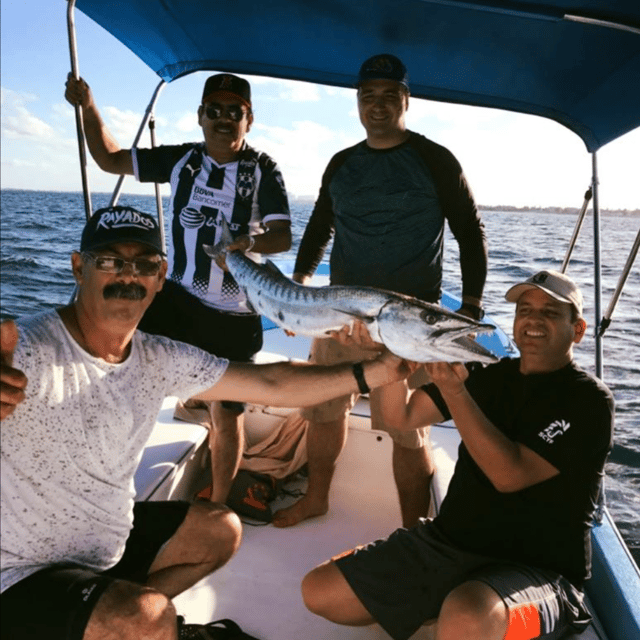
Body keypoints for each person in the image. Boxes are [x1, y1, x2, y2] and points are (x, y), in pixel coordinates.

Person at [0, 206, 410, 640]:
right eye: (110, 261)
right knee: (147, 616)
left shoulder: (158, 357)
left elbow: (272, 382)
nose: (128, 276)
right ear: (79, 267)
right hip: (19, 569)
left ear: (161, 279)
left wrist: (378, 372)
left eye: (144, 265)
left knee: (221, 529)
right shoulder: (25, 349)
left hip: (106, 545)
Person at [301, 270, 614, 640]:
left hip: (543, 574)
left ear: (577, 330)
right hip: (451, 546)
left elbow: (508, 475)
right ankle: (448, 604)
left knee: (468, 617)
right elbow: (397, 417)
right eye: (525, 310)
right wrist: (387, 353)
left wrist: (455, 392)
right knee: (320, 590)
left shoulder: (589, 401)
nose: (533, 320)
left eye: (550, 312)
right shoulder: (490, 375)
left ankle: (484, 620)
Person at [273, 53, 487, 528]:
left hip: (408, 327)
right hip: (340, 314)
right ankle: (317, 498)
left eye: (390, 96)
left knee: (406, 431)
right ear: (357, 103)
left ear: (406, 100)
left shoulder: (435, 159)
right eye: (369, 97)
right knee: (323, 411)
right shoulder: (342, 163)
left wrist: (470, 305)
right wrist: (299, 287)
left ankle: (414, 529)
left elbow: (470, 234)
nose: (379, 106)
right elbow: (319, 228)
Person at [65, 72, 292, 504]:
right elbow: (109, 158)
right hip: (178, 301)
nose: (224, 119)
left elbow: (282, 237)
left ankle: (219, 502)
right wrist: (88, 107)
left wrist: (245, 243)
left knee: (227, 414)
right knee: (116, 371)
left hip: (235, 315)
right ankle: (93, 474)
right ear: (201, 116)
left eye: (234, 112)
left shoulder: (263, 170)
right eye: (215, 110)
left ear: (250, 119)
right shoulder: (182, 161)